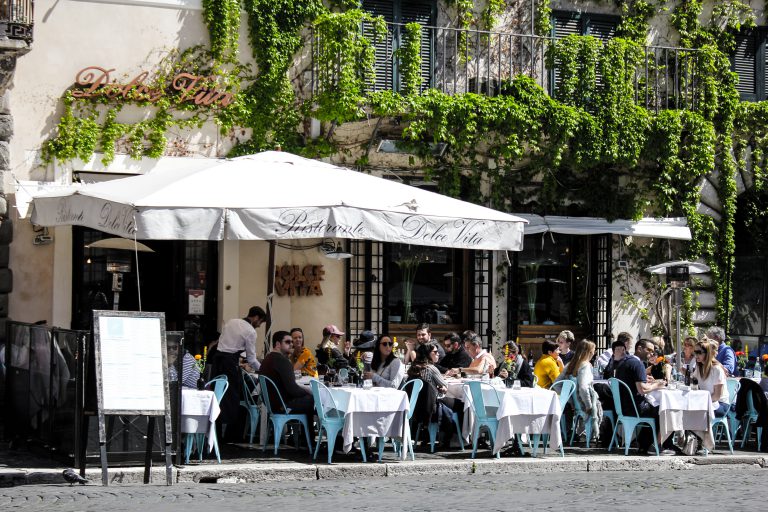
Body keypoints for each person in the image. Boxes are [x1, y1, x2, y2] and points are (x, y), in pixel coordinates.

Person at [212, 305, 267, 440]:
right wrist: (263, 369)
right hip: (229, 364)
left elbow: (228, 344)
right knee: (231, 398)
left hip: (217, 361)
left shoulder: (231, 322)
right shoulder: (251, 332)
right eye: (260, 322)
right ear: (255, 317)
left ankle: (215, 432)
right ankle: (229, 436)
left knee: (217, 395)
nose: (259, 325)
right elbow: (251, 359)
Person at [613, 337, 667, 454]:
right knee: (665, 410)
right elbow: (642, 390)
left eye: (653, 351)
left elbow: (633, 381)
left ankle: (644, 444)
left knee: (656, 408)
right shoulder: (638, 364)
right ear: (639, 348)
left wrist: (645, 379)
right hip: (635, 408)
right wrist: (657, 385)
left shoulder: (625, 361)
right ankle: (657, 446)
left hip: (622, 407)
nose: (651, 353)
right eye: (649, 350)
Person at [259, 330, 315, 440]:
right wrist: (308, 391)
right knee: (314, 400)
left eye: (291, 342)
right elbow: (293, 390)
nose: (291, 344)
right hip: (282, 406)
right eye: (288, 342)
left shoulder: (268, 359)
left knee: (308, 400)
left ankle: (302, 439)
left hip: (271, 405)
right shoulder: (283, 361)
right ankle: (309, 440)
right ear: (278, 344)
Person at [406, 342, 454, 447]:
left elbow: (425, 386)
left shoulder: (413, 367)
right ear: (428, 354)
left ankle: (430, 436)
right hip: (430, 406)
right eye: (435, 352)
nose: (438, 354)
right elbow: (444, 384)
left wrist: (435, 387)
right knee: (460, 404)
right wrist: (440, 387)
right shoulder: (431, 368)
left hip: (417, 407)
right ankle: (454, 439)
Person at [557, 340, 603, 442]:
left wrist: (570, 400)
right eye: (593, 351)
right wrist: (588, 405)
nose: (594, 353)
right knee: (608, 405)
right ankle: (598, 434)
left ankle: (586, 432)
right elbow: (583, 387)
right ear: (588, 352)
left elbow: (557, 384)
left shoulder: (570, 365)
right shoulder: (585, 366)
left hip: (576, 404)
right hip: (584, 404)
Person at [692, 339, 730, 417]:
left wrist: (701, 401)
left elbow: (717, 396)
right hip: (706, 401)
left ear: (707, 353)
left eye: (699, 352)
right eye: (695, 352)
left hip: (720, 404)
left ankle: (699, 429)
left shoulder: (716, 369)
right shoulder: (699, 367)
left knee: (697, 412)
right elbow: (692, 382)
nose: (696, 355)